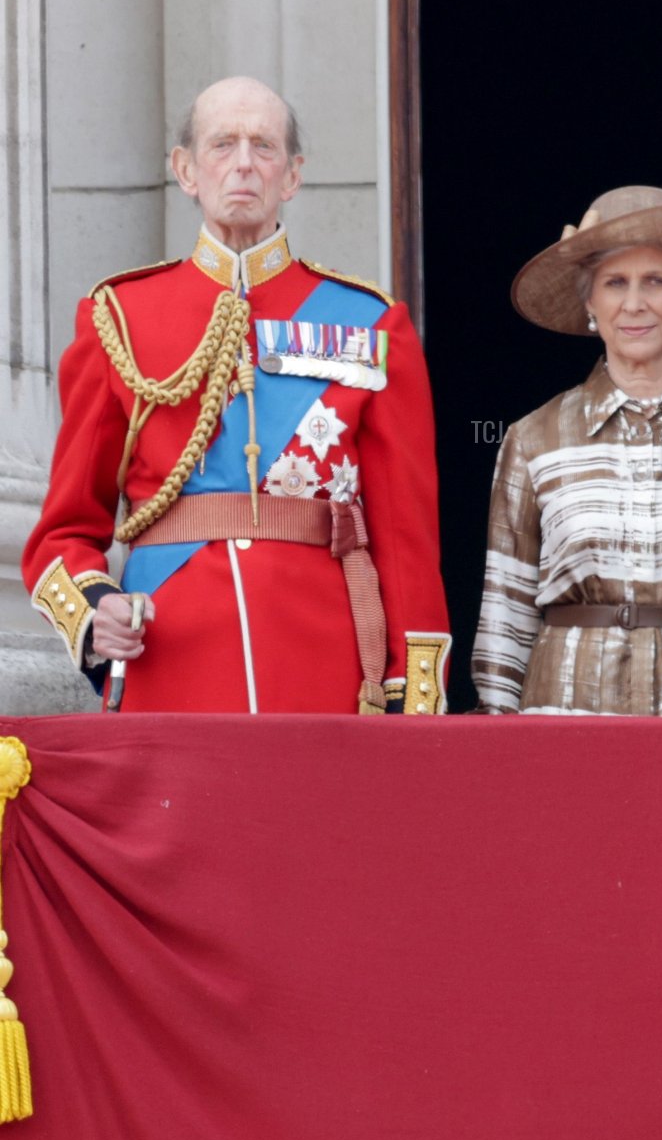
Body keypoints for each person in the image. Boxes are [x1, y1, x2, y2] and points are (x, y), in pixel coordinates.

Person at [24, 77, 450, 714]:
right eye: (223, 144)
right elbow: (63, 532)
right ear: (186, 170)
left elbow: (406, 536)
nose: (245, 163)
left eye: (265, 146)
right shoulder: (119, 316)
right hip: (171, 658)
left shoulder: (371, 323)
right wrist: (93, 612)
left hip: (325, 661)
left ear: (293, 174)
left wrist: (412, 695)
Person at [471, 186, 662, 716]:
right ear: (591, 303)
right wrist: (496, 737)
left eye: (655, 281)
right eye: (615, 283)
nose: (634, 303)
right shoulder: (530, 438)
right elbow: (506, 611)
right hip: (562, 724)